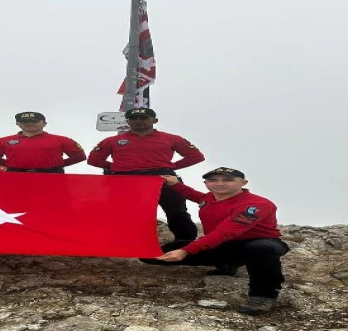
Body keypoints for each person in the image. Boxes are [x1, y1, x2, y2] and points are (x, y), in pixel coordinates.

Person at [140, 167, 290, 315]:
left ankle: (263, 296)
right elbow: (194, 195)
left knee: (260, 249)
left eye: (228, 180)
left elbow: (224, 232)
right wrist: (175, 183)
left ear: (244, 182)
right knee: (152, 256)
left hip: (257, 243)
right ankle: (228, 263)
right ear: (206, 183)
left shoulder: (257, 205)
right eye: (213, 180)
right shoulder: (209, 198)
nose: (220, 183)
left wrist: (185, 250)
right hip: (223, 245)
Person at [87, 107, 204, 243]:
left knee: (176, 211)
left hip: (163, 179)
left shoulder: (172, 138)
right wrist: (116, 168)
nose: (138, 121)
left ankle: (185, 243)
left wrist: (168, 167)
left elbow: (195, 156)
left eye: (143, 118)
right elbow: (94, 160)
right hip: (126, 180)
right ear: (128, 121)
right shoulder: (112, 140)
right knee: (125, 213)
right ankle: (125, 242)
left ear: (155, 120)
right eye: (133, 118)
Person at [0, 112, 86, 173]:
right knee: (16, 204)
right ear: (17, 124)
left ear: (44, 123)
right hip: (15, 177)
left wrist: (58, 165)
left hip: (52, 177)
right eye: (25, 122)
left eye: (34, 121)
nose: (30, 124)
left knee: (54, 204)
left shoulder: (61, 140)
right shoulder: (3, 141)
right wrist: (11, 165)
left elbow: (79, 156)